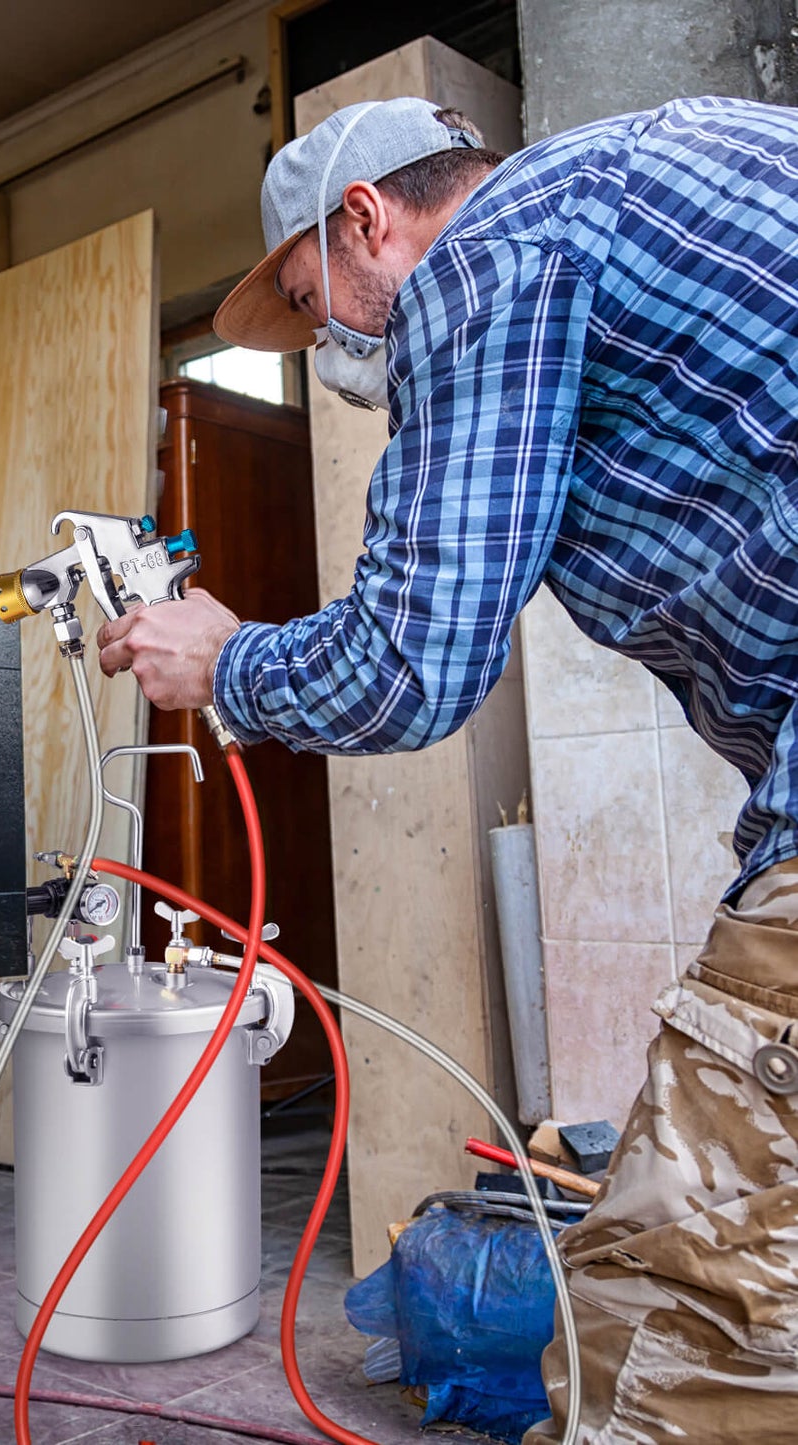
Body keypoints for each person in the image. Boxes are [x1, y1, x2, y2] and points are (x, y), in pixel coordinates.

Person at [96, 94, 798, 1441]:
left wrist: (225, 660)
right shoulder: (638, 184)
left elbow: (411, 662)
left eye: (312, 304)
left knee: (677, 1319)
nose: (335, 347)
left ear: (366, 219)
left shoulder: (493, 254)